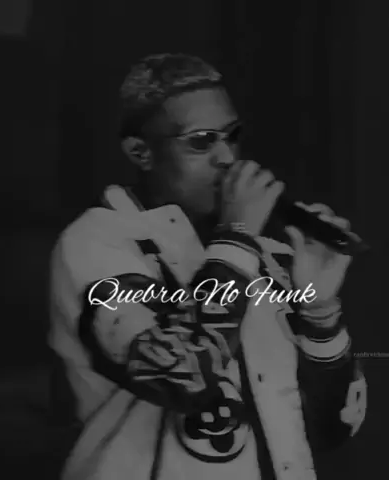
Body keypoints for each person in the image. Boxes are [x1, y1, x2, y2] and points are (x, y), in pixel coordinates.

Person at [49, 53, 367, 480]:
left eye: (232, 136)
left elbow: (331, 428)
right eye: (201, 141)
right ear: (141, 152)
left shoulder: (260, 254)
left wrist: (319, 313)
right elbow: (182, 379)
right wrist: (237, 236)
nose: (227, 157)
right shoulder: (97, 242)